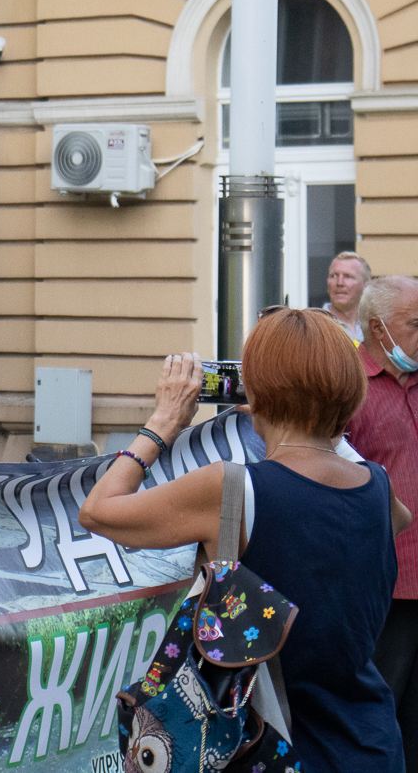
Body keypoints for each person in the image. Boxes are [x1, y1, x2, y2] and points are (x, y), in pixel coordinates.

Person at [79, 311, 411, 773]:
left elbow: (97, 510)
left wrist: (163, 422)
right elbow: (401, 518)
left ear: (258, 392)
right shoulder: (376, 487)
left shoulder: (233, 488)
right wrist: (316, 428)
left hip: (273, 748)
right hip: (370, 741)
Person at [345, 274, 418, 768]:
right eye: (415, 324)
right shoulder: (346, 386)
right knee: (382, 708)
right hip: (383, 586)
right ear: (378, 327)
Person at [325, 250, 372, 342]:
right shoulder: (313, 326)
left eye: (347, 276)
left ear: (365, 286)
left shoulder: (375, 328)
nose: (340, 283)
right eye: (333, 276)